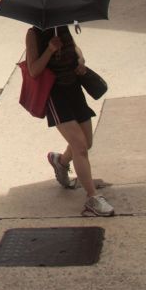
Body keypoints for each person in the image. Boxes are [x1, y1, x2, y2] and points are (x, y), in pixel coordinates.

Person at [24, 24, 114, 217]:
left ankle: (61, 161)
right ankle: (92, 197)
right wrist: (50, 49)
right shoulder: (34, 34)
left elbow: (74, 47)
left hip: (74, 89)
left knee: (86, 143)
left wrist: (80, 59)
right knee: (80, 147)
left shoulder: (61, 25)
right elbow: (33, 70)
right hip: (55, 96)